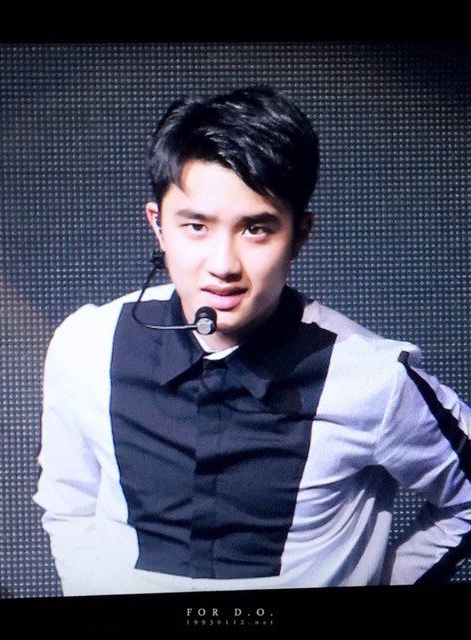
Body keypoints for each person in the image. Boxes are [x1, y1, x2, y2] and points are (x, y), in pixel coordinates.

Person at [33, 86, 471, 597]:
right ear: (158, 226)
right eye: (196, 226)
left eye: (256, 229)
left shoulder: (372, 377)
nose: (223, 264)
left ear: (299, 234)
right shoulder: (85, 345)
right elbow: (68, 502)